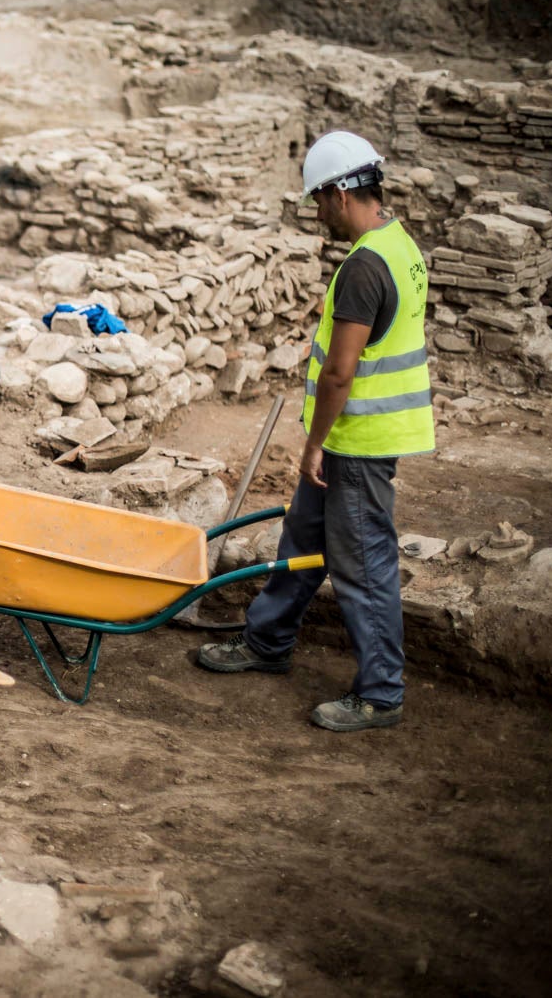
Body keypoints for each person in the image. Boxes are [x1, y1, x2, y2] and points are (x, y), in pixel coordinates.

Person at [196, 130, 434, 733]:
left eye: (318, 201)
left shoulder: (364, 267)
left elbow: (339, 372)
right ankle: (267, 642)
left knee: (362, 566)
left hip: (357, 444)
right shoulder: (400, 243)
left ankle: (380, 693)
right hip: (354, 440)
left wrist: (314, 443)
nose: (317, 214)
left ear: (340, 193)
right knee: (302, 545)